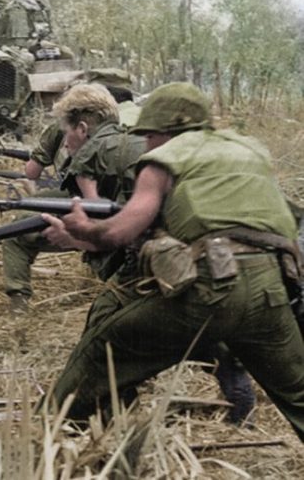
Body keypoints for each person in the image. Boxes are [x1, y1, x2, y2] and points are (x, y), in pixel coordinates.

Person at [42, 82, 304, 440]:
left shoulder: (165, 158)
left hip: (212, 291)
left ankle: (48, 437)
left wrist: (83, 228)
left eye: (147, 135)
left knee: (101, 348)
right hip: (272, 292)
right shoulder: (249, 151)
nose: (144, 144)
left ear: (163, 131)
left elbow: (120, 231)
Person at [2, 83, 144, 313]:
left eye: (66, 133)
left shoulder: (87, 156)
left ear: (81, 129)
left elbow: (96, 219)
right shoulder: (132, 138)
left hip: (137, 254)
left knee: (16, 232)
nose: (65, 144)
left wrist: (73, 239)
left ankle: (19, 308)